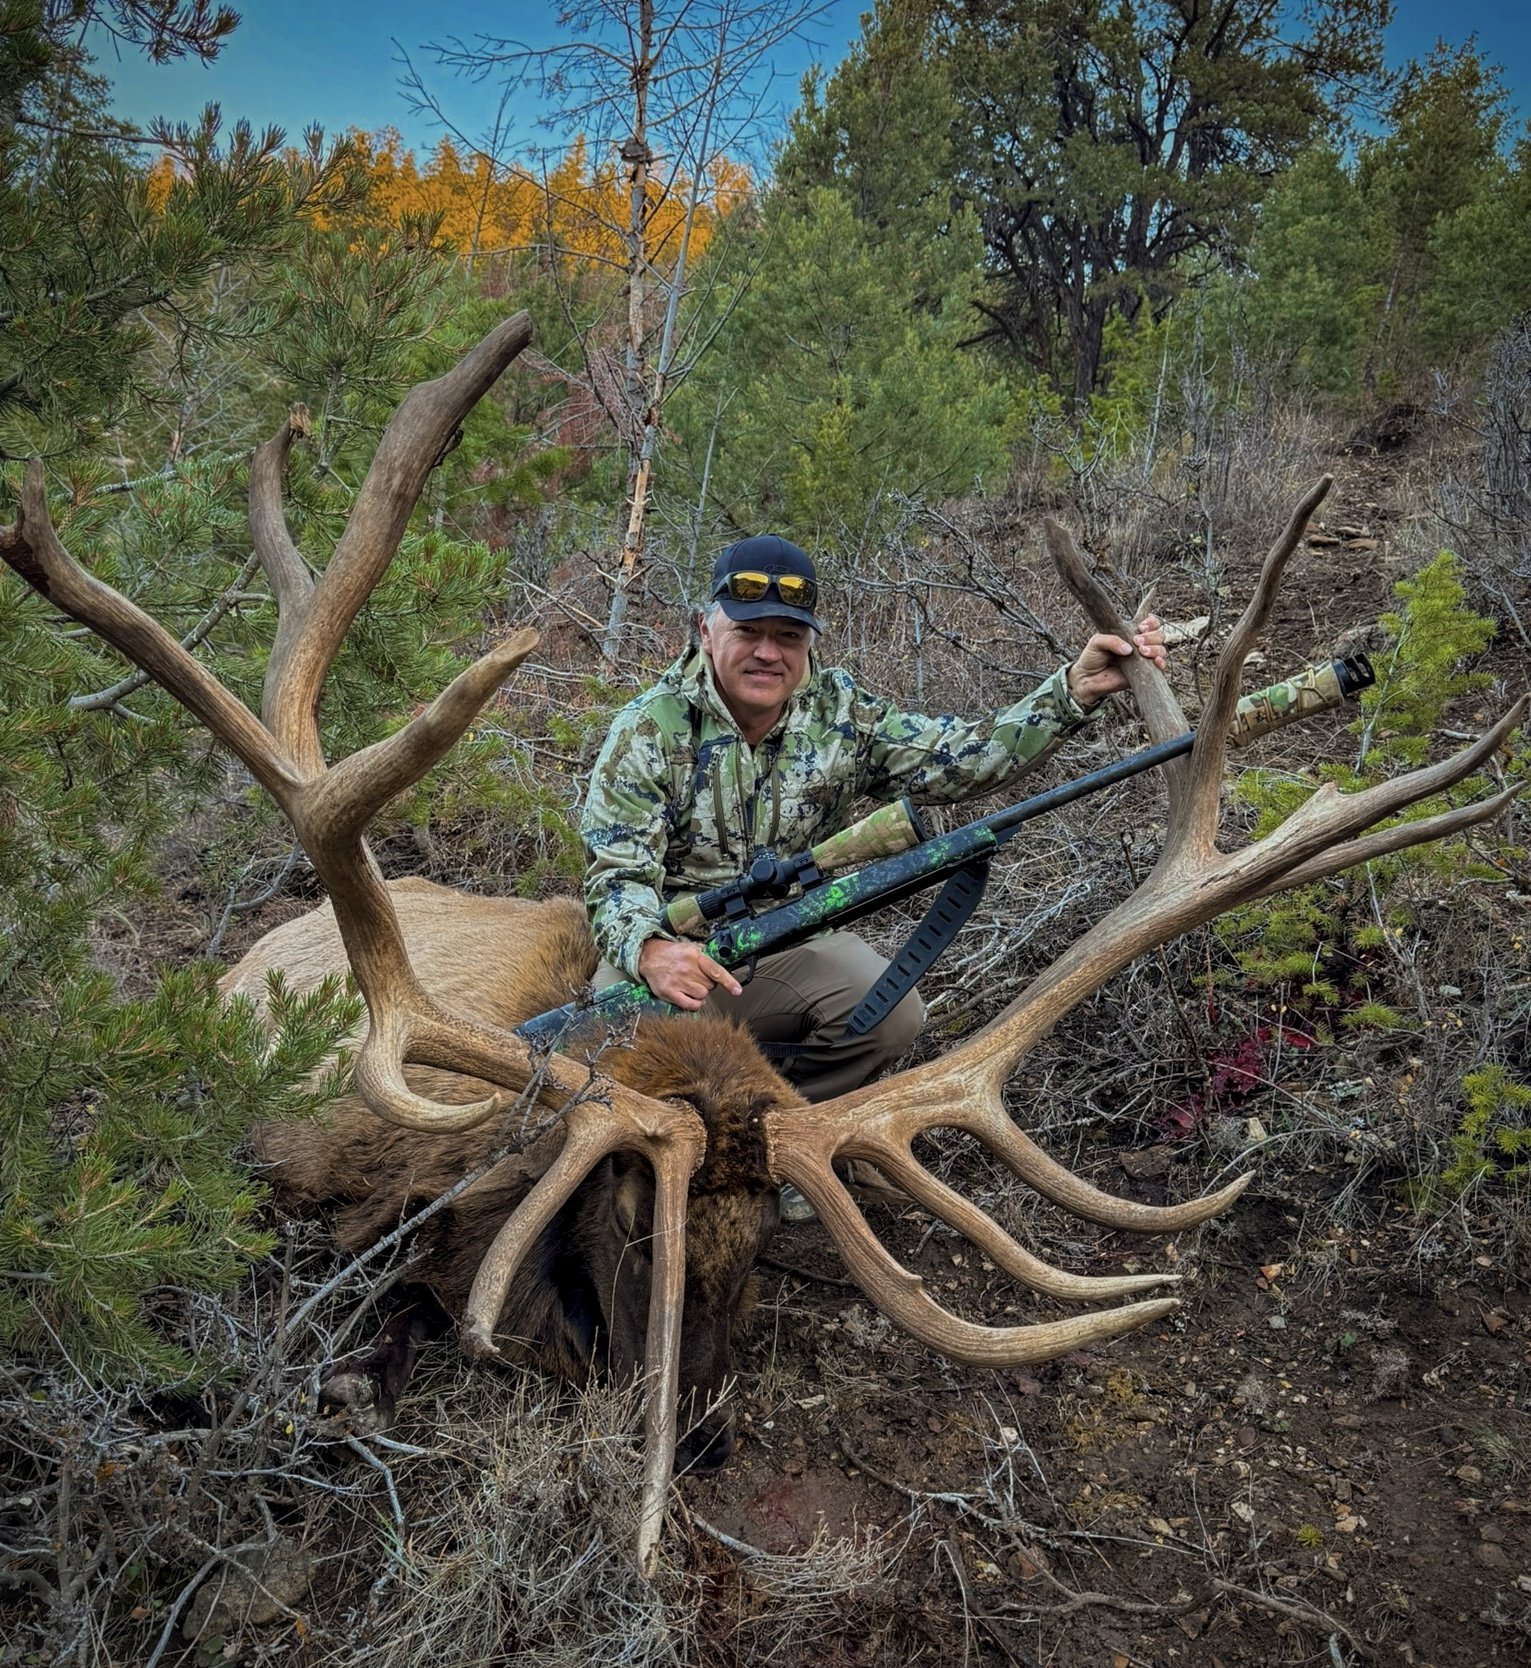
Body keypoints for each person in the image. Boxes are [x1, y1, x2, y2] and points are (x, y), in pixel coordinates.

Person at [581, 533, 1166, 1107]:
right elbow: (616, 879)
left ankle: (778, 1132)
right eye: (748, 631)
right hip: (672, 951)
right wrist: (651, 950)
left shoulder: (840, 712)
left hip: (783, 943)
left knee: (891, 1012)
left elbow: (958, 760)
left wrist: (1072, 691)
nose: (768, 652)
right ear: (706, 632)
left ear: (809, 642)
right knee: (614, 1049)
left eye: (788, 636)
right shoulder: (647, 730)